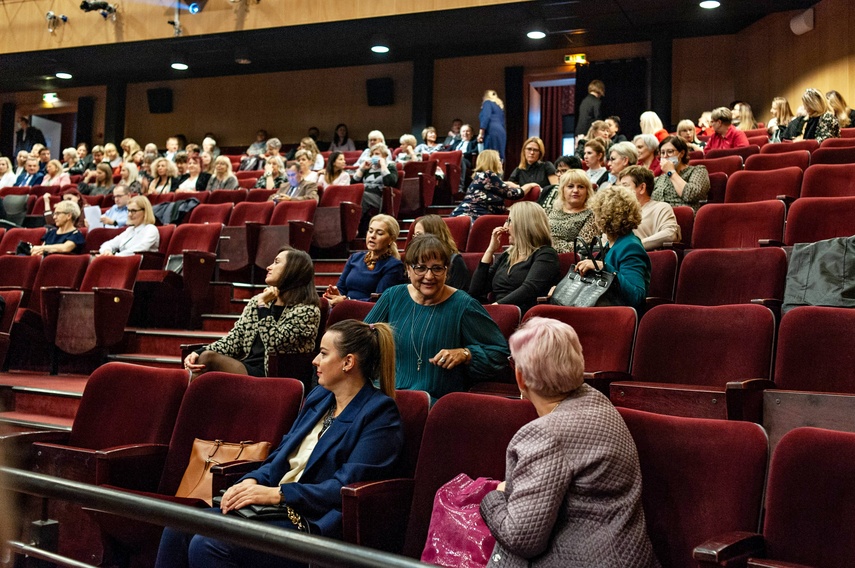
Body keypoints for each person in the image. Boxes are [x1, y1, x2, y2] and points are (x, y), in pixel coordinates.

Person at [158, 319, 403, 568]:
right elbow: (279, 457)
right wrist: (251, 481)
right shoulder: (320, 398)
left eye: (324, 353)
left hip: (312, 521)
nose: (315, 360)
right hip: (273, 510)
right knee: (178, 525)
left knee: (209, 544)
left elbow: (343, 486)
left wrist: (278, 494)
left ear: (348, 362)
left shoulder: (379, 413)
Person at [480, 316, 658, 568]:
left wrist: (492, 498)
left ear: (520, 378)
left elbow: (521, 538)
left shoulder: (545, 435)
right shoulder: (597, 400)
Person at [364, 234, 509, 401]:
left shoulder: (463, 305)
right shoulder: (392, 296)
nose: (429, 276)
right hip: (386, 395)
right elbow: (362, 341)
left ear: (446, 271)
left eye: (437, 268)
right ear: (408, 269)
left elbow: (499, 354)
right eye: (420, 268)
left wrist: (466, 354)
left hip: (434, 402)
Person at [184, 246, 321, 379]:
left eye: (276, 263)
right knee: (201, 358)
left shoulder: (307, 311)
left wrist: (263, 307)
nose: (268, 267)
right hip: (246, 365)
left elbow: (274, 343)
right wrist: (199, 351)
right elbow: (234, 340)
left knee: (208, 359)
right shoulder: (257, 302)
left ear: (293, 270)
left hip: (275, 374)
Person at [470, 200, 561, 313]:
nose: (505, 226)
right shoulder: (508, 255)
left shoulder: (546, 254)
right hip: (498, 313)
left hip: (524, 315)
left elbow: (529, 289)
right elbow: (476, 290)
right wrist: (490, 250)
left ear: (524, 225)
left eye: (509, 221)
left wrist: (495, 307)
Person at [576, 185, 651, 310]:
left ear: (605, 217)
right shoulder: (611, 244)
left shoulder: (630, 246)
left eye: (597, 213)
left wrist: (603, 267)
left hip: (618, 318)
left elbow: (636, 295)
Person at [323, 214, 405, 306]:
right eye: (370, 231)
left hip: (367, 313)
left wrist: (347, 301)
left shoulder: (393, 266)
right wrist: (336, 294)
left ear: (391, 239)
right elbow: (341, 287)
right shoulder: (355, 258)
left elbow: (379, 300)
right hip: (344, 307)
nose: (372, 236)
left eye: (379, 233)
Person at [451, 150, 526, 219]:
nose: (501, 163)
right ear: (493, 162)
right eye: (499, 160)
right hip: (469, 218)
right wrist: (531, 185)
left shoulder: (482, 177)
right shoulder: (488, 175)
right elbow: (514, 194)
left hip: (461, 216)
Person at [620, 165, 681, 250]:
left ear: (642, 188)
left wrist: (635, 245)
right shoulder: (619, 212)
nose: (619, 190)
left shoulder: (661, 208)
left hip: (645, 258)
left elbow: (670, 234)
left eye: (625, 185)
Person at [410, 214, 470, 290]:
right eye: (415, 235)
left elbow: (460, 296)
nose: (415, 240)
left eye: (419, 235)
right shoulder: (413, 260)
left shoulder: (455, 261)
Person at [653, 136, 710, 213]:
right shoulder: (659, 179)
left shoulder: (698, 170)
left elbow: (691, 195)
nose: (665, 156)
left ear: (682, 153)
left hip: (683, 218)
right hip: (658, 219)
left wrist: (671, 172)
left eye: (670, 151)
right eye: (662, 153)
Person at [548, 169, 599, 254]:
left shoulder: (592, 214)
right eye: (570, 186)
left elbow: (581, 246)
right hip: (543, 254)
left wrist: (550, 243)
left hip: (570, 261)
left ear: (587, 191)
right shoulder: (553, 209)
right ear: (562, 190)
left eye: (581, 187)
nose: (575, 190)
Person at [352, 142, 397, 229]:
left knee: (362, 196)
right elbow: (353, 184)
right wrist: (362, 169)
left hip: (380, 197)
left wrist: (383, 165)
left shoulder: (390, 167)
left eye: (376, 154)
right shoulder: (368, 169)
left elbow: (390, 182)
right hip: (364, 196)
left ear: (384, 156)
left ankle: (353, 226)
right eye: (372, 154)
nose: (373, 156)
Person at [478, 89, 507, 159]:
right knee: (499, 156)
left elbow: (486, 117)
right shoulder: (499, 107)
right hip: (501, 132)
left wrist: (481, 134)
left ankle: (491, 170)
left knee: (490, 155)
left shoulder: (487, 103)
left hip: (491, 131)